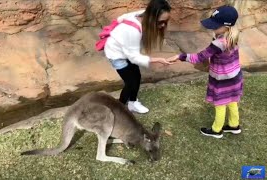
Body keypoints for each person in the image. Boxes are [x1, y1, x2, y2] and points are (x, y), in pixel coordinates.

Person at [168, 5, 242, 138]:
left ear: (226, 26)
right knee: (232, 100)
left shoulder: (218, 43)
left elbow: (199, 57)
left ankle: (216, 130)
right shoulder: (233, 37)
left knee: (220, 104)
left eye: (215, 26)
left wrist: (180, 57)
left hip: (222, 80)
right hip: (235, 77)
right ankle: (234, 125)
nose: (212, 28)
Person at [104, 0, 173, 114]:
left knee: (137, 75)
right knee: (130, 82)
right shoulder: (133, 30)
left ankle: (133, 103)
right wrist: (158, 59)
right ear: (151, 16)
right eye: (161, 22)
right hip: (116, 54)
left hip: (127, 51)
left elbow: (121, 17)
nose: (163, 25)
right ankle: (118, 109)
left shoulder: (144, 14)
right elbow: (134, 58)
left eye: (166, 21)